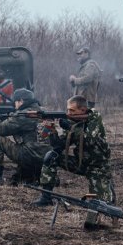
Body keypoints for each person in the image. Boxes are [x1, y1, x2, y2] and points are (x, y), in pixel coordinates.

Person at [31, 95, 114, 229]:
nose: (68, 113)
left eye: (72, 111)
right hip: (81, 163)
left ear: (83, 110)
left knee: (103, 206)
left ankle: (107, 187)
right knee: (51, 156)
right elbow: (59, 145)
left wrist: (70, 127)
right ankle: (46, 197)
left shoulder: (94, 118)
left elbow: (89, 139)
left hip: (98, 168)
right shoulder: (73, 123)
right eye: (67, 111)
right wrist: (52, 131)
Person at [0, 88, 52, 187]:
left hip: (29, 156)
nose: (14, 105)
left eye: (15, 102)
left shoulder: (24, 114)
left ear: (21, 101)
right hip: (47, 158)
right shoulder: (43, 112)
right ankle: (41, 175)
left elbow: (1, 129)